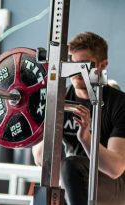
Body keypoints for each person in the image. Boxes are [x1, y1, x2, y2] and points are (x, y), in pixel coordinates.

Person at [32, 32, 125, 205]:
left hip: (115, 186)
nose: (76, 71)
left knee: (70, 167)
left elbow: (115, 169)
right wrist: (52, 127)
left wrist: (86, 139)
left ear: (103, 65)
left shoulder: (119, 104)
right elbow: (39, 157)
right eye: (72, 64)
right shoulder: (60, 98)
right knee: (46, 192)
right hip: (71, 180)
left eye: (84, 64)